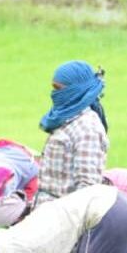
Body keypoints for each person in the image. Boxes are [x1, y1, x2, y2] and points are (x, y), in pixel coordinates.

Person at [34, 60, 108, 208]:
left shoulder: (87, 128)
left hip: (63, 221)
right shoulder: (68, 120)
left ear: (76, 90)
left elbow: (87, 188)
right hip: (46, 217)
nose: (55, 95)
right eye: (53, 88)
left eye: (59, 89)